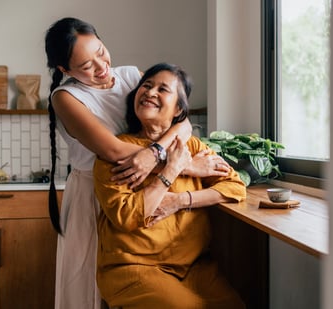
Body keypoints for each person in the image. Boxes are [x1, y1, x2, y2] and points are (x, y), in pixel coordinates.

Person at [44, 18, 231, 309]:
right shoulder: (66, 98)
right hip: (96, 194)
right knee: (90, 288)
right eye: (85, 66)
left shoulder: (132, 76)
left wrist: (155, 152)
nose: (101, 66)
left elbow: (182, 121)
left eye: (100, 51)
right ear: (64, 70)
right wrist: (182, 165)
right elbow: (114, 151)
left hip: (146, 190)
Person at [93, 63, 247, 308]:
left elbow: (235, 186)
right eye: (146, 85)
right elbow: (126, 215)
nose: (150, 92)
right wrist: (172, 169)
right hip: (133, 267)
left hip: (194, 267)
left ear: (178, 110)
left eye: (162, 89)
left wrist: (179, 201)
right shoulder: (116, 152)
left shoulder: (193, 147)